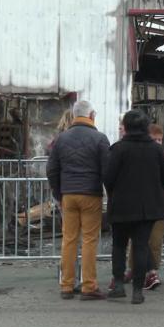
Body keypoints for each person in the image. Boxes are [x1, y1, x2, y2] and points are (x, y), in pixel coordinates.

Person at [104, 110, 164, 304]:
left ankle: (118, 284)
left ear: (125, 127)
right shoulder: (157, 150)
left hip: (122, 205)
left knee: (119, 245)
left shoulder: (118, 149)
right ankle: (137, 290)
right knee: (141, 246)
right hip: (148, 207)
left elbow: (108, 178)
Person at [47, 100, 110, 300]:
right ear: (91, 115)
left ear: (74, 116)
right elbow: (106, 170)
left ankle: (66, 285)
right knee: (90, 240)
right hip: (90, 194)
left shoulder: (61, 139)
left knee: (69, 239)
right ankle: (88, 286)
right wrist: (108, 192)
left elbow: (51, 170)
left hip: (68, 195)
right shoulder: (100, 139)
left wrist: (59, 193)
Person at [122, 123, 164, 290]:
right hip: (149, 202)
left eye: (160, 139)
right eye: (154, 139)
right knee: (138, 240)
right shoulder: (145, 153)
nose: (157, 142)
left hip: (157, 203)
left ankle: (152, 272)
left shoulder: (162, 155)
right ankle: (136, 270)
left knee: (155, 241)